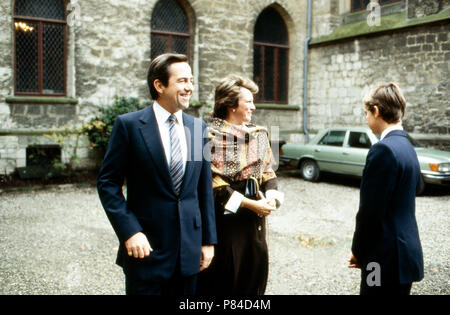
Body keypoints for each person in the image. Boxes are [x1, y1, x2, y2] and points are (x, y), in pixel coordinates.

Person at [97, 53, 217, 295]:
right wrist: (130, 231)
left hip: (190, 253)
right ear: (159, 85)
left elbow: (203, 189)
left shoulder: (198, 128)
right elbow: (108, 183)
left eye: (191, 81)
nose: (190, 88)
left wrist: (208, 241)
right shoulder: (129, 126)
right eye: (182, 81)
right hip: (146, 251)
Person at [197, 75, 283, 295]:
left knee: (253, 279)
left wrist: (272, 197)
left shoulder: (260, 133)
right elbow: (215, 186)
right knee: (225, 282)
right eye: (248, 102)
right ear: (230, 104)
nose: (253, 107)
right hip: (226, 221)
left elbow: (267, 172)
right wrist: (249, 205)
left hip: (255, 223)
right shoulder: (209, 136)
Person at [349, 82, 424, 295]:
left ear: (377, 111)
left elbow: (369, 212)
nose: (366, 119)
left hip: (381, 259)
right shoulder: (407, 146)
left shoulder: (382, 149)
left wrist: (358, 251)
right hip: (406, 254)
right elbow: (415, 187)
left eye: (366, 113)